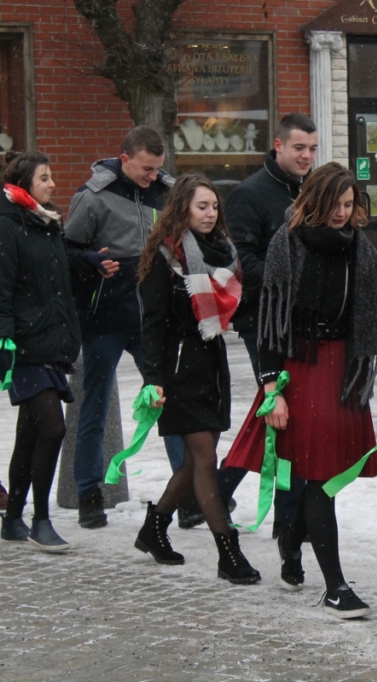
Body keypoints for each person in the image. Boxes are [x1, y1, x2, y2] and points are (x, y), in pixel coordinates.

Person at [224, 163, 377, 613]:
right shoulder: (287, 244)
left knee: (324, 477)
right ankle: (336, 587)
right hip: (301, 368)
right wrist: (270, 387)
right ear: (315, 201)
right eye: (335, 204)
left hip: (342, 373)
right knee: (318, 482)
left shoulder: (360, 250)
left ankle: (292, 538)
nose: (342, 213)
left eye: (349, 204)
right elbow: (270, 321)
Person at [133, 173, 260, 584]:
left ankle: (154, 528)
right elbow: (152, 324)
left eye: (214, 207)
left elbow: (236, 308)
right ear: (182, 208)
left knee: (193, 462)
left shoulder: (224, 253)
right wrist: (152, 378)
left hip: (211, 364)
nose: (210, 214)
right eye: (201, 206)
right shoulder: (165, 255)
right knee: (205, 459)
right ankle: (228, 550)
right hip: (177, 368)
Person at [64, 126, 187, 530]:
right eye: (146, 169)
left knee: (168, 401)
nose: (153, 176)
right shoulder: (93, 196)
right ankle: (88, 493)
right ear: (125, 160)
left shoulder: (168, 193)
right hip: (104, 317)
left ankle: (187, 492)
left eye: (158, 168)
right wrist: (91, 262)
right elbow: (67, 251)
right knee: (94, 404)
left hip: (152, 317)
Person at [217, 113, 318, 539]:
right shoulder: (249, 193)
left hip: (303, 321)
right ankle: (284, 517)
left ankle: (214, 492)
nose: (307, 156)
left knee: (278, 414)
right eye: (299, 148)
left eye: (312, 149)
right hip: (262, 320)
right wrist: (294, 285)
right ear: (278, 146)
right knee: (281, 412)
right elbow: (243, 261)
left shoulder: (311, 190)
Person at [0, 151, 84, 549]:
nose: (53, 184)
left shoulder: (47, 222)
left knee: (31, 433)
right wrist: (5, 341)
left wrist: (90, 265)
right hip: (24, 345)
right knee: (53, 428)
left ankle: (13, 517)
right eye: (44, 178)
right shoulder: (8, 225)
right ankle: (41, 520)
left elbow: (58, 281)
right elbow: (3, 289)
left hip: (51, 341)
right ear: (24, 184)